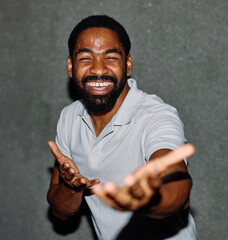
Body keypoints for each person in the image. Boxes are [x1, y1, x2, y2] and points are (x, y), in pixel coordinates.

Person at [47, 15, 196, 240]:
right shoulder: (69, 117)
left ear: (128, 64)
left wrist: (152, 197)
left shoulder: (156, 116)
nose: (98, 70)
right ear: (71, 66)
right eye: (86, 58)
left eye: (111, 57)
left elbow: (177, 187)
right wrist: (72, 188)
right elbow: (60, 211)